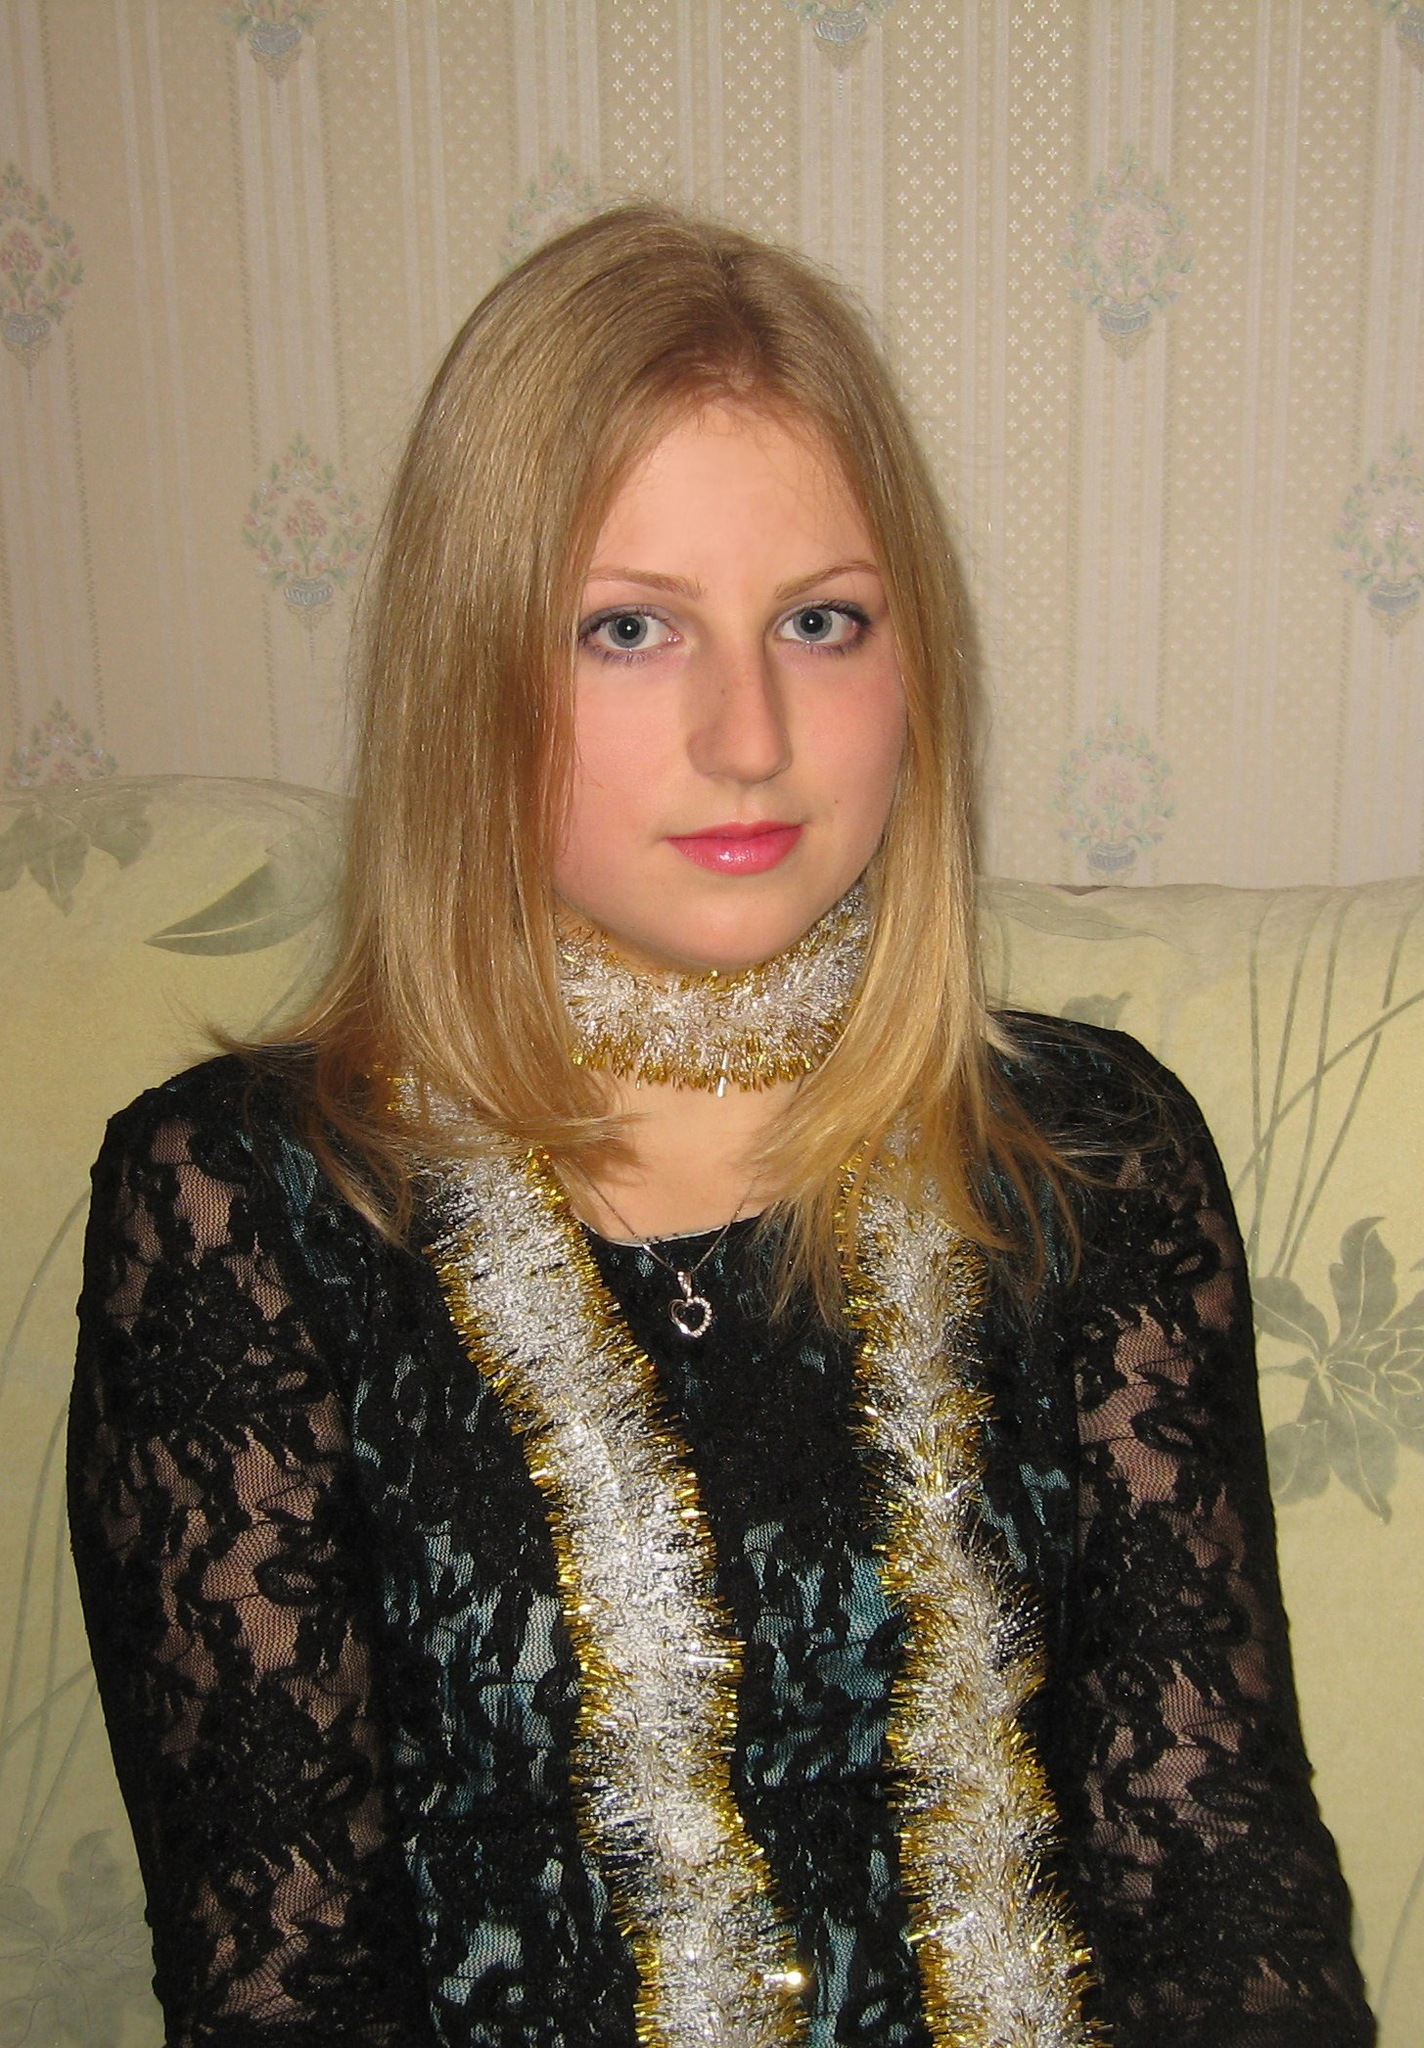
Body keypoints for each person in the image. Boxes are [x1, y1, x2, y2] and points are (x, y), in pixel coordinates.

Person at [68, 204, 1373, 2048]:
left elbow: (1222, 1884)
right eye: (629, 629)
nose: (749, 735)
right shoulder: (245, 1204)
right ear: (467, 669)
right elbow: (281, 1980)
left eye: (821, 622)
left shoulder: (1094, 1157)